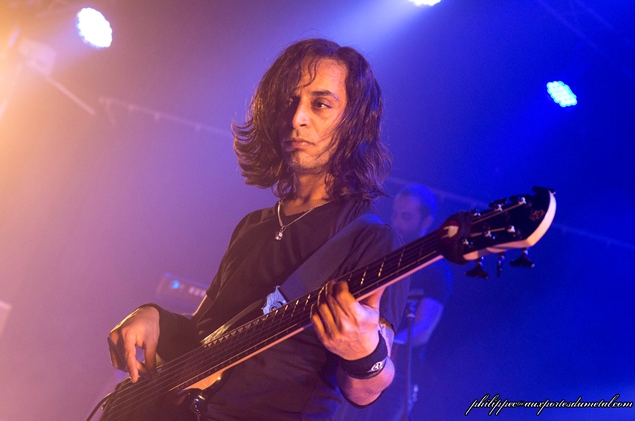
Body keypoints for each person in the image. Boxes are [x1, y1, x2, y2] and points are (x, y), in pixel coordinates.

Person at [106, 38, 410, 421]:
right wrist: (154, 316)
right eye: (288, 102)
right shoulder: (253, 227)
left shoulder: (371, 239)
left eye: (320, 104)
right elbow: (202, 336)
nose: (297, 118)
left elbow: (367, 390)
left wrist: (365, 353)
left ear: (354, 122)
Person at [333, 183, 453, 421]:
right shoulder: (382, 257)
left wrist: (377, 345)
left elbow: (423, 329)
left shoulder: (436, 271)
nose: (397, 222)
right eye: (396, 214)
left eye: (406, 217)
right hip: (355, 366)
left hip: (397, 379)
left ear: (427, 221)